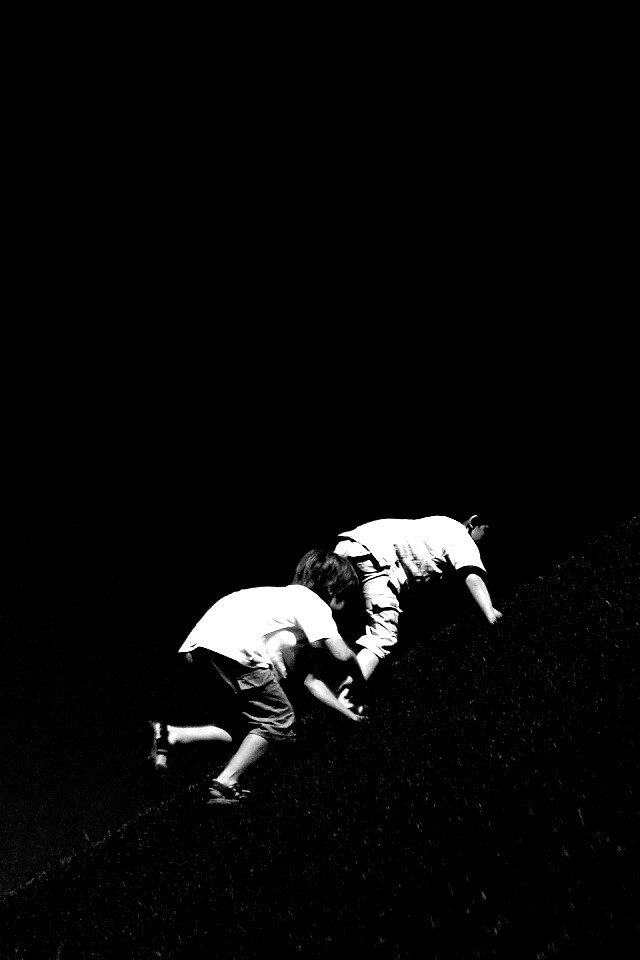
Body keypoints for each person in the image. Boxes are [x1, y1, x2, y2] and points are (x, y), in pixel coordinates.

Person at [149, 549, 367, 804]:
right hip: (235, 650)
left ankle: (171, 734)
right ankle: (225, 782)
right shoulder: (313, 603)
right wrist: (362, 683)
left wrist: (349, 715)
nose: (346, 606)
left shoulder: (278, 601)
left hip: (197, 650)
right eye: (346, 597)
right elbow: (343, 655)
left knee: (245, 728)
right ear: (332, 589)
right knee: (280, 720)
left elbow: (309, 682)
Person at [333, 513, 502, 688]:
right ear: (474, 523)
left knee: (333, 620)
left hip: (348, 544)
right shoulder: (462, 537)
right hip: (375, 556)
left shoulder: (442, 522)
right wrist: (490, 614)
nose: (487, 540)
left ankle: (328, 677)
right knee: (382, 636)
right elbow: (472, 576)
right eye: (487, 532)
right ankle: (346, 695)